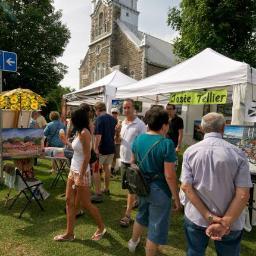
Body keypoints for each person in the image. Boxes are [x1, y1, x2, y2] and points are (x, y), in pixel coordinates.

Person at [181, 112, 252, 256]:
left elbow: (186, 187)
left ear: (201, 128)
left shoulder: (190, 151)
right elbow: (243, 194)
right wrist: (225, 221)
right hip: (230, 220)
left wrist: (209, 216)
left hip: (197, 216)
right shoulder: (238, 153)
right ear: (223, 128)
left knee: (195, 252)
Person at [128, 108, 181, 255]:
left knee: (141, 215)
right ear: (164, 125)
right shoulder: (167, 143)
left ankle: (132, 243)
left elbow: (132, 162)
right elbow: (169, 176)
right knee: (156, 227)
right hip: (160, 191)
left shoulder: (138, 139)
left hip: (141, 187)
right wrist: (176, 198)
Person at [54, 107, 106, 242]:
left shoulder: (84, 133)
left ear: (77, 119)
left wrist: (81, 176)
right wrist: (66, 141)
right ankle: (69, 234)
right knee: (68, 201)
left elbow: (87, 157)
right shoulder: (79, 132)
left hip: (81, 172)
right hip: (73, 170)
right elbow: (77, 150)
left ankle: (101, 228)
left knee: (86, 204)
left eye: (71, 118)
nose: (70, 120)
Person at [119, 99, 146, 227]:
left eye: (128, 107)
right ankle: (135, 202)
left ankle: (127, 215)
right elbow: (119, 141)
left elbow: (142, 143)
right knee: (128, 187)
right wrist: (115, 132)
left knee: (131, 189)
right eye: (124, 107)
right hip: (123, 159)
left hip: (133, 161)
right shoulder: (123, 123)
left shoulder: (140, 124)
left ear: (134, 108)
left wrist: (135, 161)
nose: (126, 110)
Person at [92, 102, 117, 201]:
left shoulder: (99, 119)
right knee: (107, 168)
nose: (95, 113)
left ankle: (98, 193)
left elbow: (98, 135)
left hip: (102, 148)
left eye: (95, 110)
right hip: (111, 147)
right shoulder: (112, 118)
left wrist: (95, 148)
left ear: (97, 109)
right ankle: (106, 188)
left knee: (95, 169)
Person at [111, 107, 122, 175]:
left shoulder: (119, 121)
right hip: (110, 141)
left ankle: (112, 170)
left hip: (117, 142)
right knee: (110, 157)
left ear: (117, 114)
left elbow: (120, 130)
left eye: (115, 113)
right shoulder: (109, 121)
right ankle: (109, 170)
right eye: (113, 113)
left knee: (115, 157)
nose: (114, 114)